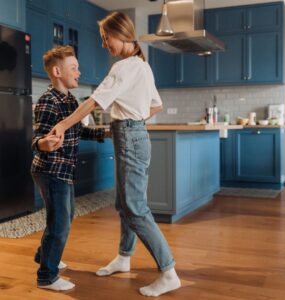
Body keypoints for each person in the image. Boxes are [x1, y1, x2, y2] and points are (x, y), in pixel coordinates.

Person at [50, 12, 181, 297]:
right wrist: (132, 121)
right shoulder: (141, 66)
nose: (103, 44)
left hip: (130, 138)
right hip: (133, 136)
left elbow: (93, 104)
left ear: (121, 35)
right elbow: (156, 105)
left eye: (105, 38)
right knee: (124, 203)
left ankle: (168, 271)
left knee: (135, 208)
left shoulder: (124, 68)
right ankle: (124, 257)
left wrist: (61, 124)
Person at [31, 45, 108, 291]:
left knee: (65, 215)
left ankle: (44, 255)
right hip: (51, 170)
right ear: (57, 71)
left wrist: (103, 133)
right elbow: (37, 138)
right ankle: (47, 276)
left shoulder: (70, 99)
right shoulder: (48, 101)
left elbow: (78, 129)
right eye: (73, 68)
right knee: (60, 222)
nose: (79, 72)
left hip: (63, 170)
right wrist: (44, 144)